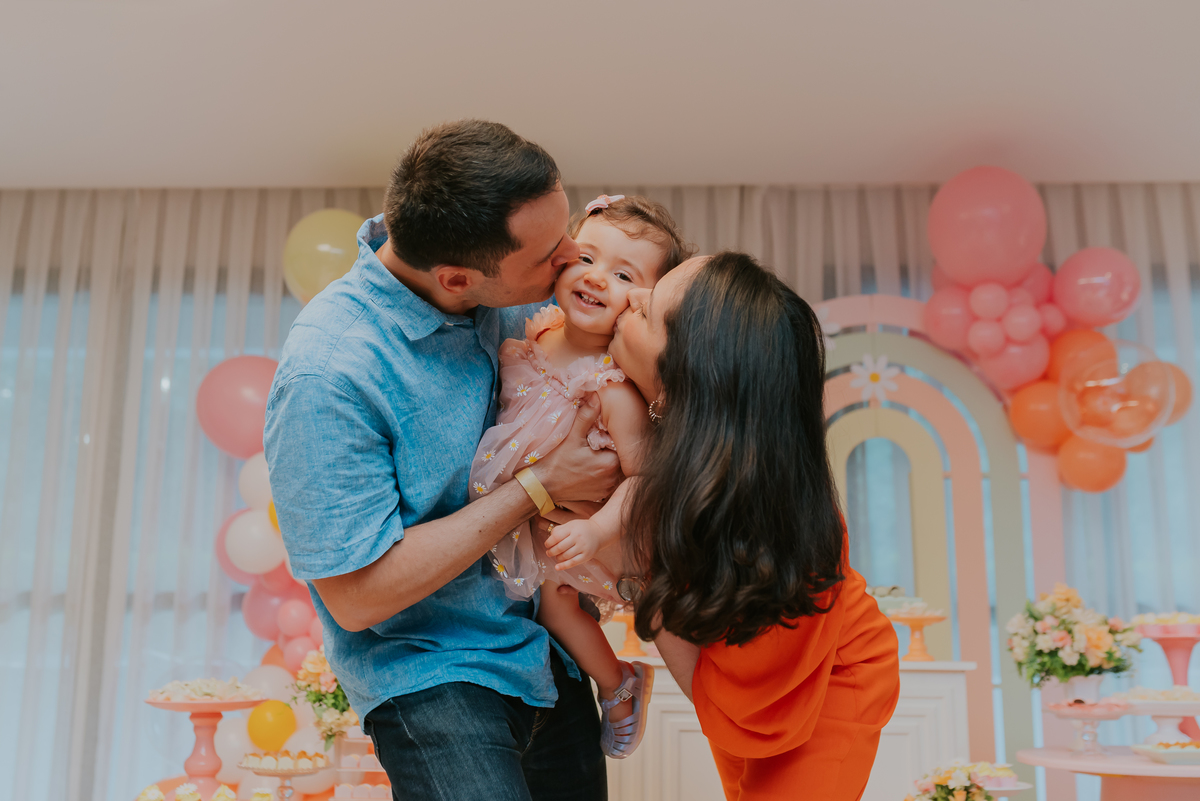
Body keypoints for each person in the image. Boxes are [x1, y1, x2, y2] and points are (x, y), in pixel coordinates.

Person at [264, 120, 622, 801]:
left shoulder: (498, 283)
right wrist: (539, 487)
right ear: (457, 277)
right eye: (549, 254)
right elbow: (358, 596)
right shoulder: (330, 373)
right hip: (434, 675)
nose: (572, 256)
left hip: (544, 652)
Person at [608, 251, 902, 801]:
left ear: (686, 375)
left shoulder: (762, 502)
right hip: (741, 681)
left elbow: (735, 698)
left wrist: (631, 560)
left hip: (825, 677)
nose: (631, 297)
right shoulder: (662, 432)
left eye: (649, 312)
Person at [468, 193, 695, 758]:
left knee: (559, 601)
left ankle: (618, 683)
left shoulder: (612, 387)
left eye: (622, 274)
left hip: (593, 530)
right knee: (545, 605)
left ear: (642, 302)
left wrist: (597, 533)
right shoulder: (535, 334)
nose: (596, 279)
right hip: (533, 513)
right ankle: (608, 678)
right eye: (587, 257)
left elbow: (643, 478)